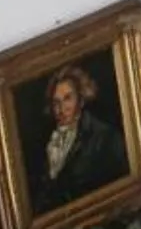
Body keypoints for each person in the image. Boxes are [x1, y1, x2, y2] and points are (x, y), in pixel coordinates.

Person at [31, 60, 128, 212]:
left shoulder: (104, 136)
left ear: (81, 100)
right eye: (56, 102)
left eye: (67, 98)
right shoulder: (46, 142)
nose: (61, 109)